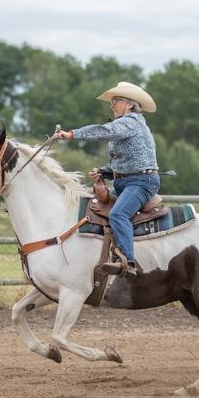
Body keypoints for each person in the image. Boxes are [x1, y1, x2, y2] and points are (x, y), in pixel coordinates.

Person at [55, 82, 160, 278]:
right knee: (95, 210)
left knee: (118, 214)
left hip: (140, 182)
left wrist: (71, 134)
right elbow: (127, 161)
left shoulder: (131, 122)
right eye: (112, 101)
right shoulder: (128, 124)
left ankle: (127, 262)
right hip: (129, 181)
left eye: (116, 101)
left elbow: (104, 131)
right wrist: (105, 171)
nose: (112, 105)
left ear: (130, 104)